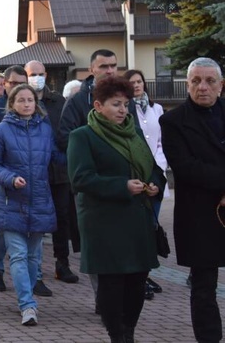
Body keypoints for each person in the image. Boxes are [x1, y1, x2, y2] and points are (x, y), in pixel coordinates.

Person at [68, 76, 164, 343]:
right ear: (98, 105)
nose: (122, 110)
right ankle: (117, 335)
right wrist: (122, 186)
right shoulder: (82, 136)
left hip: (137, 221)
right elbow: (80, 179)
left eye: (125, 104)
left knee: (137, 282)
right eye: (115, 104)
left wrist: (155, 184)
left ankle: (128, 331)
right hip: (104, 223)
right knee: (111, 285)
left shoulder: (133, 134)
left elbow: (154, 168)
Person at [160, 57, 225, 343]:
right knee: (203, 287)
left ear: (221, 86)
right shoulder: (172, 121)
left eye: (210, 81)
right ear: (187, 85)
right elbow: (185, 167)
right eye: (196, 81)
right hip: (199, 216)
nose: (203, 87)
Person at [0, 84, 61, 326]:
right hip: (11, 201)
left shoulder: (45, 130)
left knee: (33, 257)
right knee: (18, 255)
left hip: (39, 199)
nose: (27, 104)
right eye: (22, 100)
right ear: (12, 103)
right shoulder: (1, 131)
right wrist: (10, 179)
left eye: (30, 100)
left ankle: (26, 298)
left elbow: (56, 156)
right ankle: (27, 305)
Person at [25, 60, 79, 288]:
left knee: (62, 218)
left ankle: (62, 263)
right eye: (32, 74)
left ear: (46, 75)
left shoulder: (58, 101)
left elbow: (66, 132)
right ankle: (33, 268)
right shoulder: (24, 100)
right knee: (34, 220)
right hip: (33, 172)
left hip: (58, 171)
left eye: (40, 74)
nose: (36, 77)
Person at [124, 69, 168, 298]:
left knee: (152, 224)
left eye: (139, 81)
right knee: (139, 226)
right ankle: (140, 275)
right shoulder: (126, 110)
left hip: (156, 173)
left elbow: (161, 141)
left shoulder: (157, 108)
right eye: (131, 83)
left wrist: (159, 165)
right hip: (137, 173)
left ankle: (146, 273)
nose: (137, 85)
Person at [0, 65, 29, 292]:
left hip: (28, 177)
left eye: (23, 82)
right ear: (5, 85)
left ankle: (34, 277)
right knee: (2, 229)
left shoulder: (34, 107)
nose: (18, 87)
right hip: (2, 177)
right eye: (13, 83)